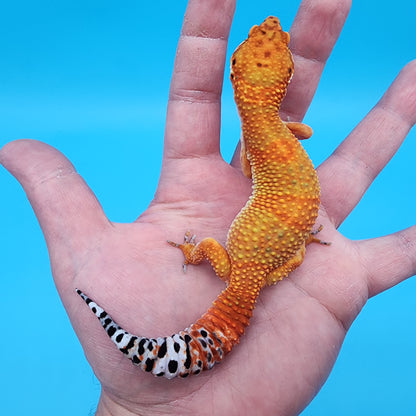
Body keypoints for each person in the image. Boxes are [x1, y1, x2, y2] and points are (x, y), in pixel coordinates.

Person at [1, 0, 415, 414]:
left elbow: (255, 162)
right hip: (280, 250)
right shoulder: (272, 136)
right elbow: (301, 132)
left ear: (235, 74)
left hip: (268, 256)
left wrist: (194, 249)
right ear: (283, 79)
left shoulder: (252, 144)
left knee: (236, 246)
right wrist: (284, 138)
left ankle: (196, 251)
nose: (270, 26)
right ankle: (291, 241)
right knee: (292, 237)